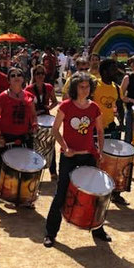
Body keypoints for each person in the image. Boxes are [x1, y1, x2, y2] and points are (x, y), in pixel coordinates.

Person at [43, 71, 110, 247]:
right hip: (69, 157)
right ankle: (50, 233)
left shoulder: (94, 107)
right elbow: (55, 130)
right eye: (81, 86)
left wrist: (100, 151)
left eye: (87, 86)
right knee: (61, 194)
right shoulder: (65, 106)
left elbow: (100, 132)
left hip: (89, 156)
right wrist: (65, 148)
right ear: (75, 87)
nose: (85, 90)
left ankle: (98, 229)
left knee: (95, 193)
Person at [0, 67, 37, 213]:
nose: (16, 77)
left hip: (24, 137)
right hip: (6, 137)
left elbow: (33, 115)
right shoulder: (2, 97)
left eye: (19, 75)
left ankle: (25, 198)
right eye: (13, 75)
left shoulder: (29, 97)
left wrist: (34, 125)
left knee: (26, 168)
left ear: (23, 79)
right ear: (8, 80)